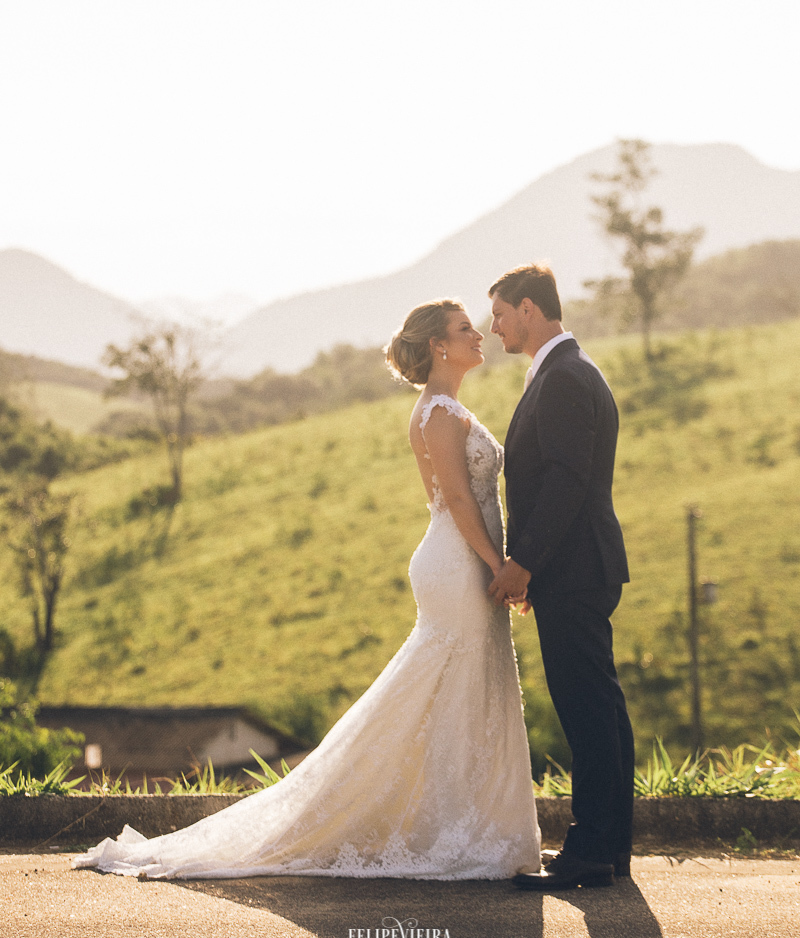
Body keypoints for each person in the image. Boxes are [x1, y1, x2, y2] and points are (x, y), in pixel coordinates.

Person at [73, 299, 540, 880]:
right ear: (439, 346)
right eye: (465, 327)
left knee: (462, 691)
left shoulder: (444, 409)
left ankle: (474, 826)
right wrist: (498, 566)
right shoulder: (440, 413)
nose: (479, 334)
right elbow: (460, 501)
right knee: (449, 689)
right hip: (461, 564)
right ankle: (453, 830)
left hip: (461, 561)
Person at [486, 264, 634, 891]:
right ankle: (607, 848)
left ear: (528, 308)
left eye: (499, 315)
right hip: (575, 567)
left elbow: (566, 481)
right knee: (598, 707)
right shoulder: (562, 370)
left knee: (587, 710)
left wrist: (524, 562)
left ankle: (591, 851)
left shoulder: (566, 376)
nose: (494, 328)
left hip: (575, 567)